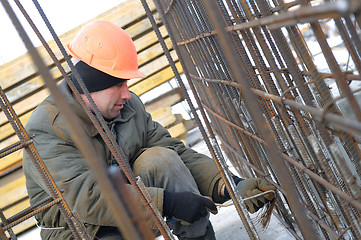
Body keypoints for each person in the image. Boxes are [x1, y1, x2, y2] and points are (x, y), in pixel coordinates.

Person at [22, 20, 276, 240]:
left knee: (160, 159)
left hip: (134, 209)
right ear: (90, 86)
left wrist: (228, 184)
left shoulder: (127, 107)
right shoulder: (47, 128)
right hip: (85, 230)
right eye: (119, 84)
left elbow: (174, 151)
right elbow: (88, 197)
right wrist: (169, 202)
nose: (127, 93)